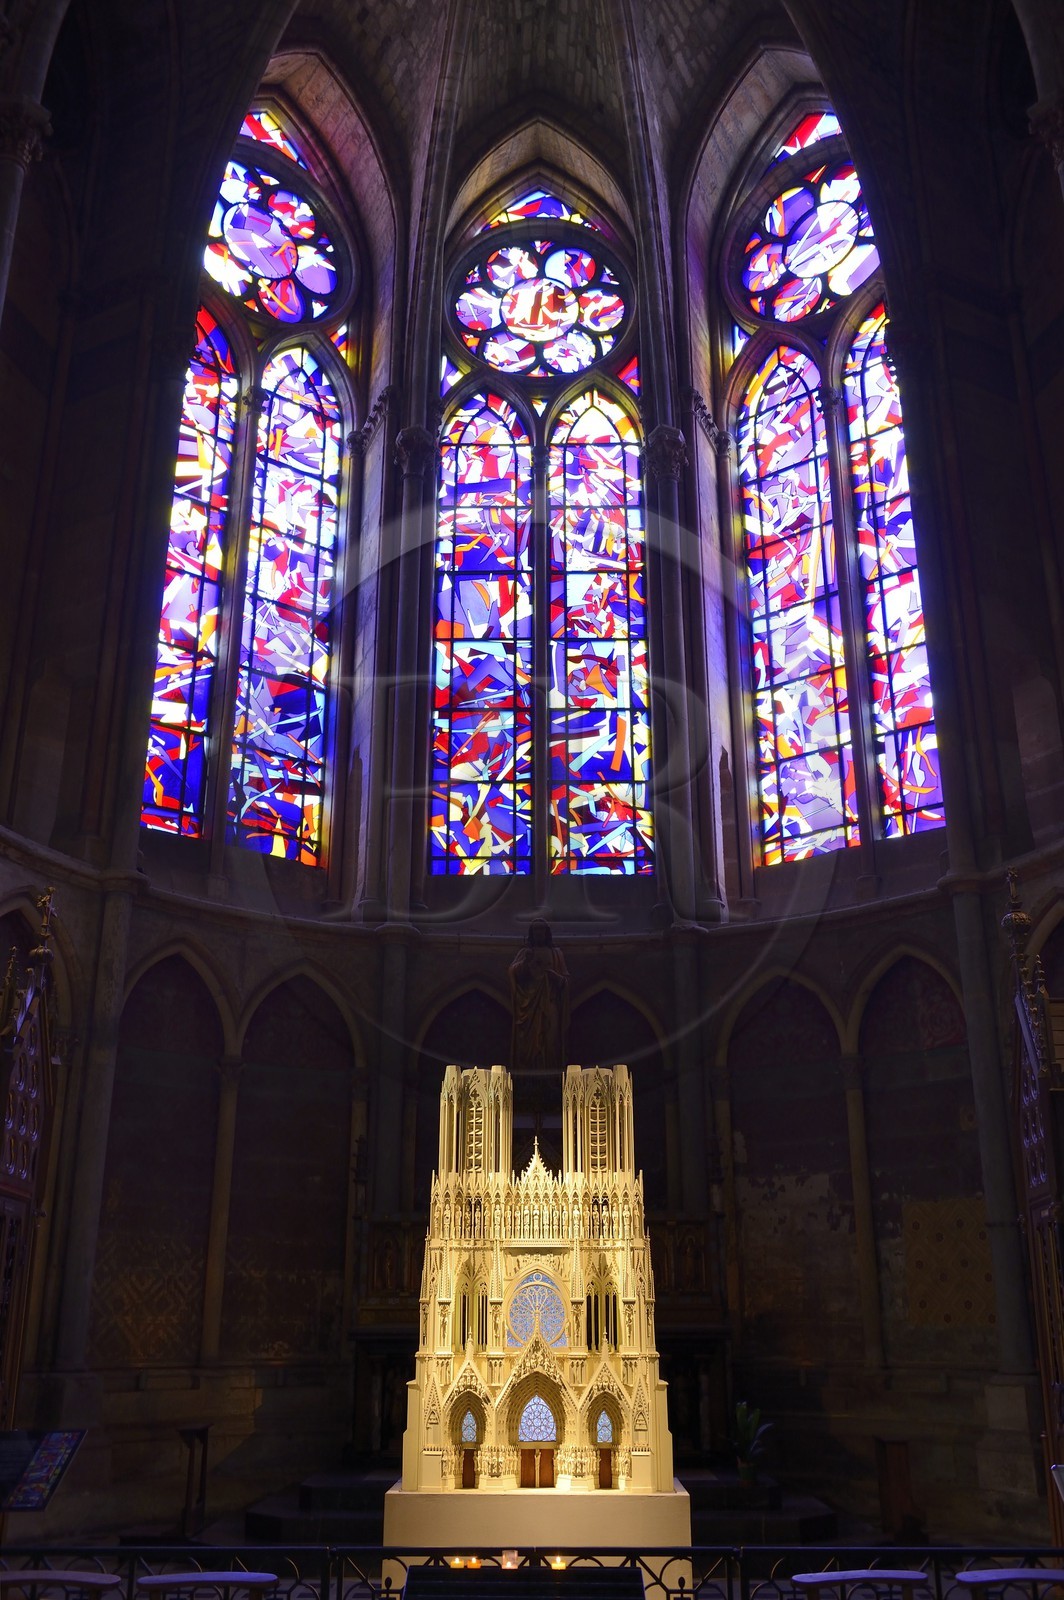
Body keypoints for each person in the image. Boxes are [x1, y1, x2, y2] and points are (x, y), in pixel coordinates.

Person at [509, 919, 569, 1075]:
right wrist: (525, 962)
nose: (539, 933)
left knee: (551, 1039)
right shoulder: (524, 953)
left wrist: (554, 976)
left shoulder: (556, 954)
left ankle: (550, 1075)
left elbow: (565, 981)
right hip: (528, 1005)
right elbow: (514, 975)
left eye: (542, 930)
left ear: (547, 932)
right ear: (531, 933)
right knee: (528, 1043)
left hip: (550, 1002)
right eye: (536, 930)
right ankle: (528, 1076)